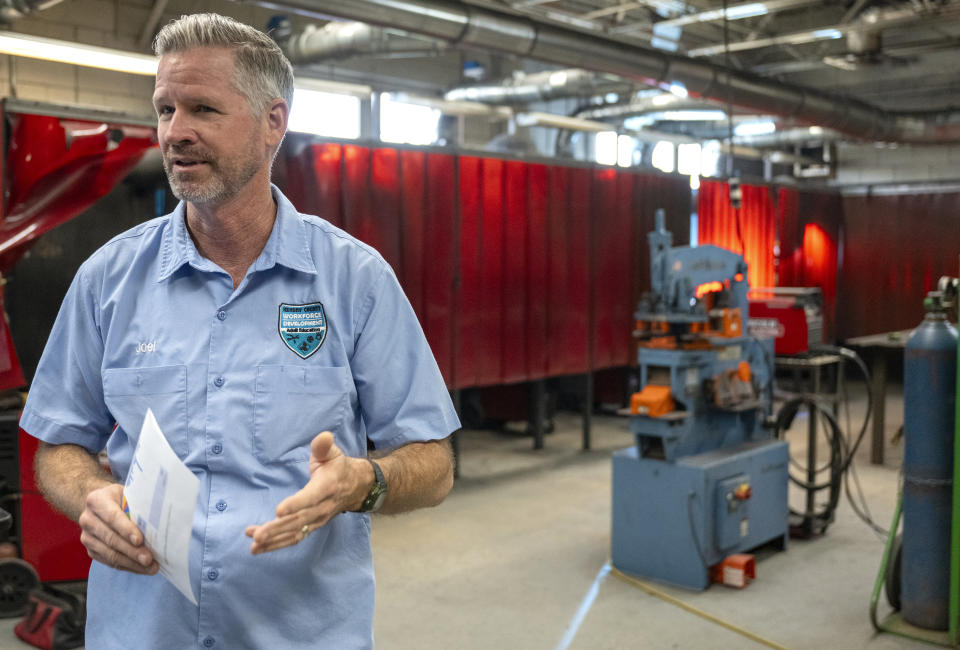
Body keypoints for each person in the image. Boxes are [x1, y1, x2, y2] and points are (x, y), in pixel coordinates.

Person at [20, 13, 460, 649]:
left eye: (203, 108)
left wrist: (362, 484)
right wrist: (92, 494)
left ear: (272, 124)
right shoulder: (107, 279)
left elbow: (435, 463)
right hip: (141, 633)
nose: (175, 132)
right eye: (165, 109)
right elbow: (58, 446)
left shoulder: (354, 281)